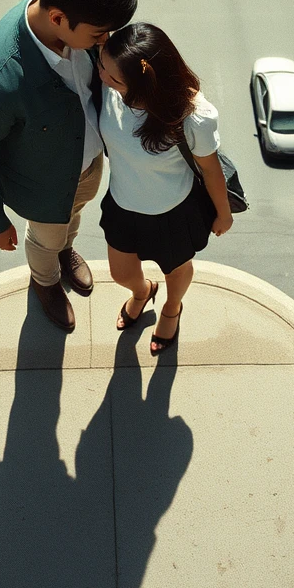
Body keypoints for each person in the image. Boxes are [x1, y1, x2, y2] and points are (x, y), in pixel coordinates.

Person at [0, 0, 137, 332]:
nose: (105, 42)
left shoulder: (72, 13)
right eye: (99, 34)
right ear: (57, 17)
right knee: (44, 239)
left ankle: (65, 251)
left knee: (70, 221)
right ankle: (45, 281)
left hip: (87, 168)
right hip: (43, 188)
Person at [97, 23, 233, 355]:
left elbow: (211, 171)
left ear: (146, 86)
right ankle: (143, 291)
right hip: (123, 204)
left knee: (176, 270)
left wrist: (223, 213)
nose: (103, 78)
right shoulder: (108, 85)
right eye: (101, 66)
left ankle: (172, 308)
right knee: (120, 273)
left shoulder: (191, 117)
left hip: (173, 211)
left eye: (115, 79)